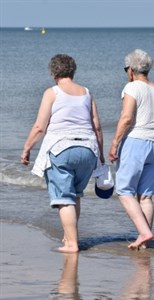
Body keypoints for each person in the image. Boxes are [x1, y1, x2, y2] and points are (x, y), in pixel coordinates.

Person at [21, 54, 104, 253]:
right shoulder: (86, 92)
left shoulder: (52, 92)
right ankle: (69, 239)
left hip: (62, 148)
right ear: (72, 71)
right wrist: (100, 155)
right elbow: (97, 127)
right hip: (87, 150)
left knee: (64, 198)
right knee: (75, 195)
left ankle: (72, 244)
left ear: (53, 73)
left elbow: (40, 126)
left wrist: (26, 148)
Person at [109, 49, 154, 249]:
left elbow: (127, 118)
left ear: (131, 70)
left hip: (137, 141)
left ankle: (144, 232)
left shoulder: (131, 88)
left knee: (125, 190)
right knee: (146, 195)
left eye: (126, 69)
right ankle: (145, 243)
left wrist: (115, 143)